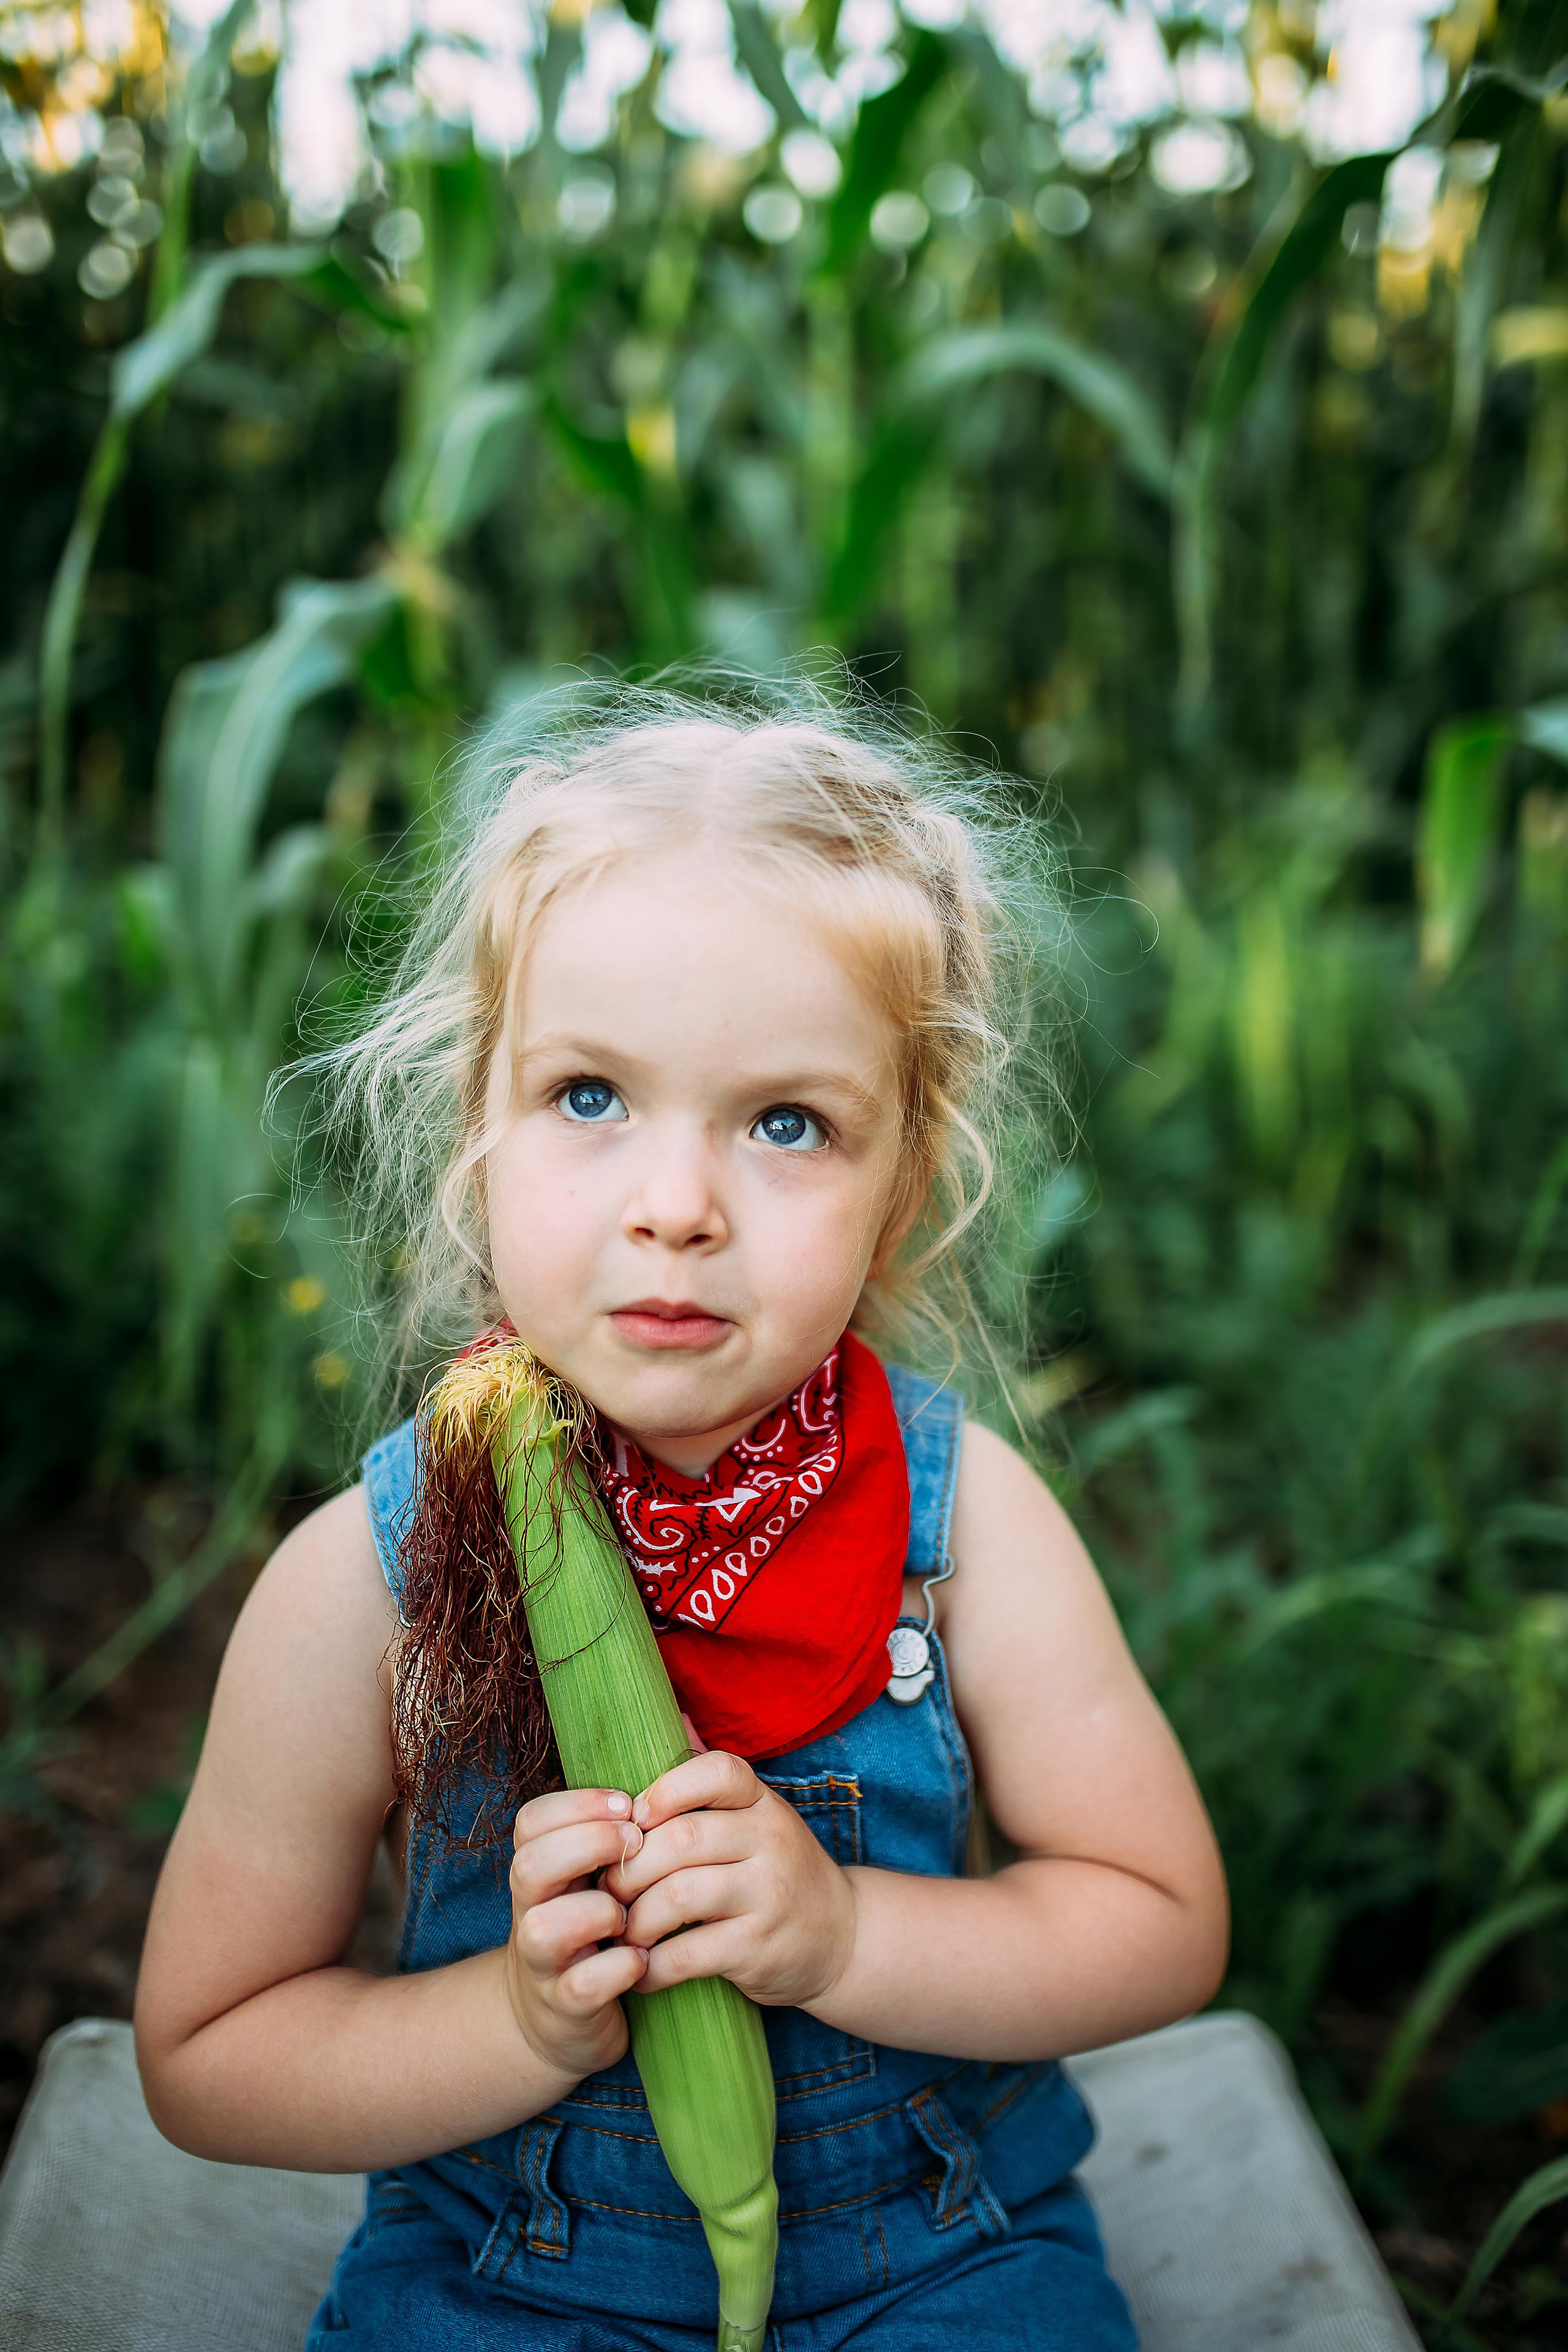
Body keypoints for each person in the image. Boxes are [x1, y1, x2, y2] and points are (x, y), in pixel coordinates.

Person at [134, 687, 1228, 2350]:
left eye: (786, 1123)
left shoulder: (963, 1531)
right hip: (515, 2275)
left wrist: (849, 1931)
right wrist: (517, 2020)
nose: (675, 1206)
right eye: (588, 1096)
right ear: (475, 1134)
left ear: (901, 1188)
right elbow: (208, 2055)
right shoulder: (365, 1584)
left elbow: (1160, 1927)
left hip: (937, 2257)